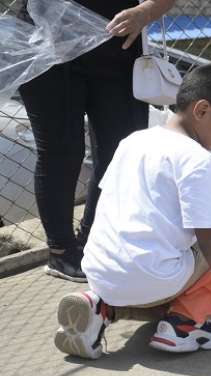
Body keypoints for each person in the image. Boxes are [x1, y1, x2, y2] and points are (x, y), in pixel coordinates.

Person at [53, 62, 211, 359]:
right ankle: (183, 324)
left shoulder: (132, 141)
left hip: (99, 272)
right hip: (154, 278)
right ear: (202, 111)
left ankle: (102, 306)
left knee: (152, 272)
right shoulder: (200, 160)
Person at [18, 0, 175, 281]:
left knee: (122, 150)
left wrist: (146, 11)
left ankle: (94, 240)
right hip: (47, 42)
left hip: (118, 43)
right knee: (61, 151)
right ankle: (61, 252)